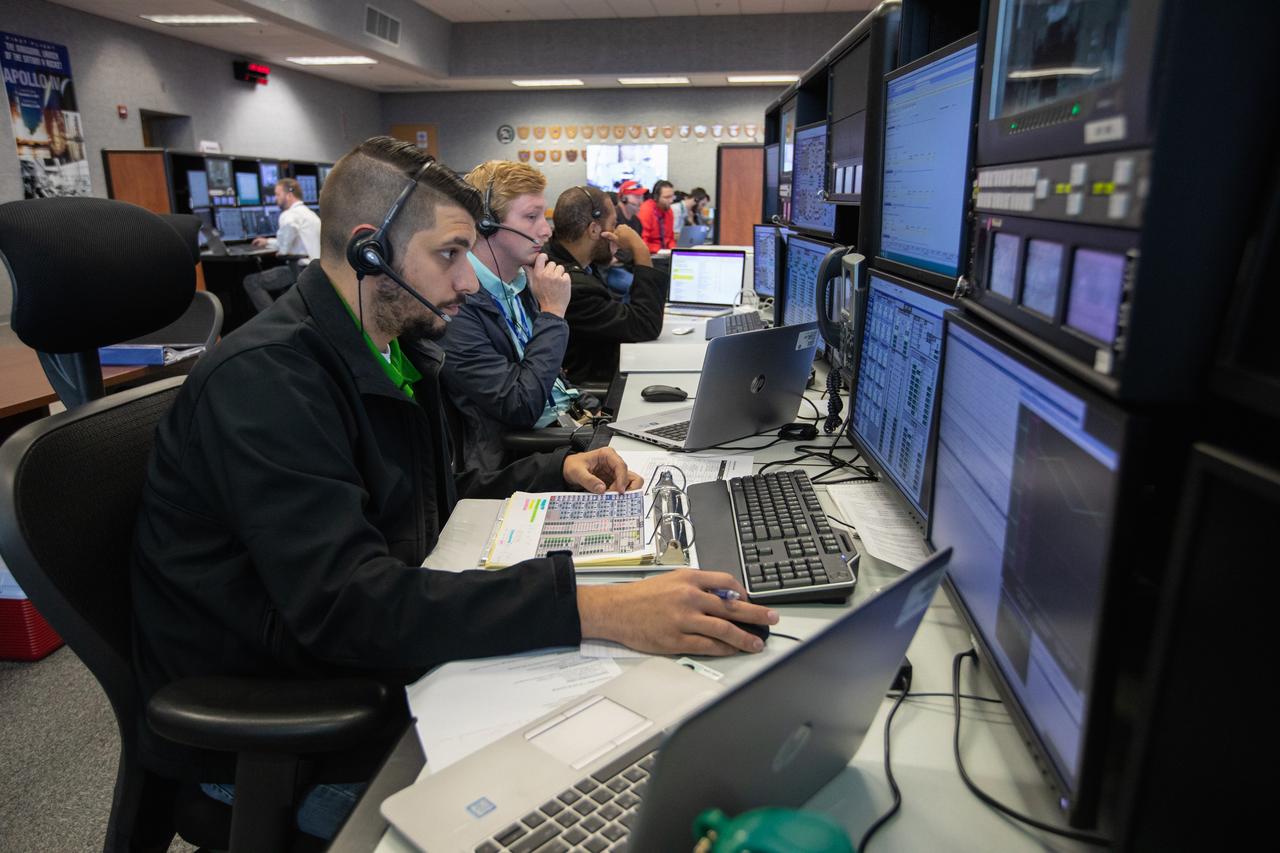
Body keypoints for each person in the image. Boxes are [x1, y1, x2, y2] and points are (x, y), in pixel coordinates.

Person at [131, 137, 774, 840]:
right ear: (370, 249)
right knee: (573, 798)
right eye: (448, 254)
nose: (469, 282)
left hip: (378, 669)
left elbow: (440, 488)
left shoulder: (389, 347)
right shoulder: (268, 383)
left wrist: (552, 469)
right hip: (293, 726)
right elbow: (349, 603)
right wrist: (601, 609)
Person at [440, 159, 595, 470]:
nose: (546, 230)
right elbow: (519, 406)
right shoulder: (456, 306)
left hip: (571, 424)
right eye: (530, 217)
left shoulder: (523, 283)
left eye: (543, 215)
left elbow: (551, 380)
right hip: (531, 455)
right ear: (486, 224)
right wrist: (552, 313)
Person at [545, 186, 669, 385]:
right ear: (594, 230)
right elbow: (646, 325)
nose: (617, 233)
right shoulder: (571, 285)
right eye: (613, 225)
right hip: (595, 387)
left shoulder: (560, 260)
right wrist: (640, 248)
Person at [251, 177, 322, 261]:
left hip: (301, 269)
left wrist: (279, 252)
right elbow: (287, 241)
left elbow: (283, 249)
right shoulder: (311, 215)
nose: (275, 198)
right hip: (316, 270)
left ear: (289, 196)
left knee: (253, 274)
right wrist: (267, 242)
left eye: (278, 195)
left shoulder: (289, 215)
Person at [637, 179, 676, 252]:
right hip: (651, 254)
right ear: (656, 197)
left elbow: (670, 238)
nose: (671, 201)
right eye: (667, 197)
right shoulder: (646, 210)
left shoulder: (669, 210)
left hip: (665, 253)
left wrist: (673, 250)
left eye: (672, 197)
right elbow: (642, 242)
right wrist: (658, 250)